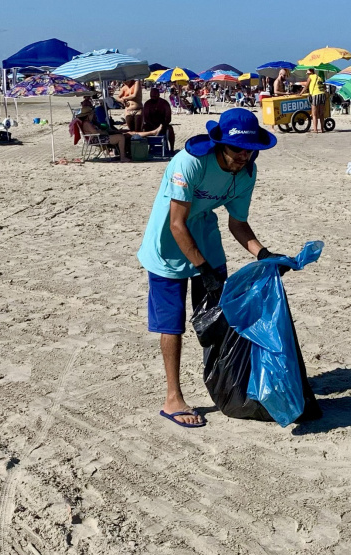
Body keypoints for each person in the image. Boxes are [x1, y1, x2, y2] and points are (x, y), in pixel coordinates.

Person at [137, 109, 293, 428]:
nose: (244, 155)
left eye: (251, 150)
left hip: (205, 240)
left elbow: (237, 223)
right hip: (167, 245)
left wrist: (264, 254)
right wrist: (202, 269)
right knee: (172, 323)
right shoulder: (190, 162)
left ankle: (230, 385)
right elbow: (177, 224)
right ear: (220, 144)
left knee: (221, 317)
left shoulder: (247, 172)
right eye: (238, 149)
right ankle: (172, 398)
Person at [75, 105, 163, 162]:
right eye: (92, 113)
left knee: (128, 133)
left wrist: (107, 130)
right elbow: (95, 132)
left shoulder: (90, 122)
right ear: (88, 115)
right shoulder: (87, 123)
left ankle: (152, 132)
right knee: (121, 137)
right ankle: (123, 157)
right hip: (96, 139)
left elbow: (98, 130)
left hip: (100, 137)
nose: (94, 115)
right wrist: (105, 131)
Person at [299, 68, 326, 133]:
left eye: (308, 74)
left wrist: (300, 93)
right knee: (321, 113)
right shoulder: (319, 77)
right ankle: (322, 129)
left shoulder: (310, 77)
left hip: (315, 95)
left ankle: (315, 129)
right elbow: (324, 87)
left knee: (314, 114)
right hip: (322, 95)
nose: (307, 75)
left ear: (310, 73)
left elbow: (306, 87)